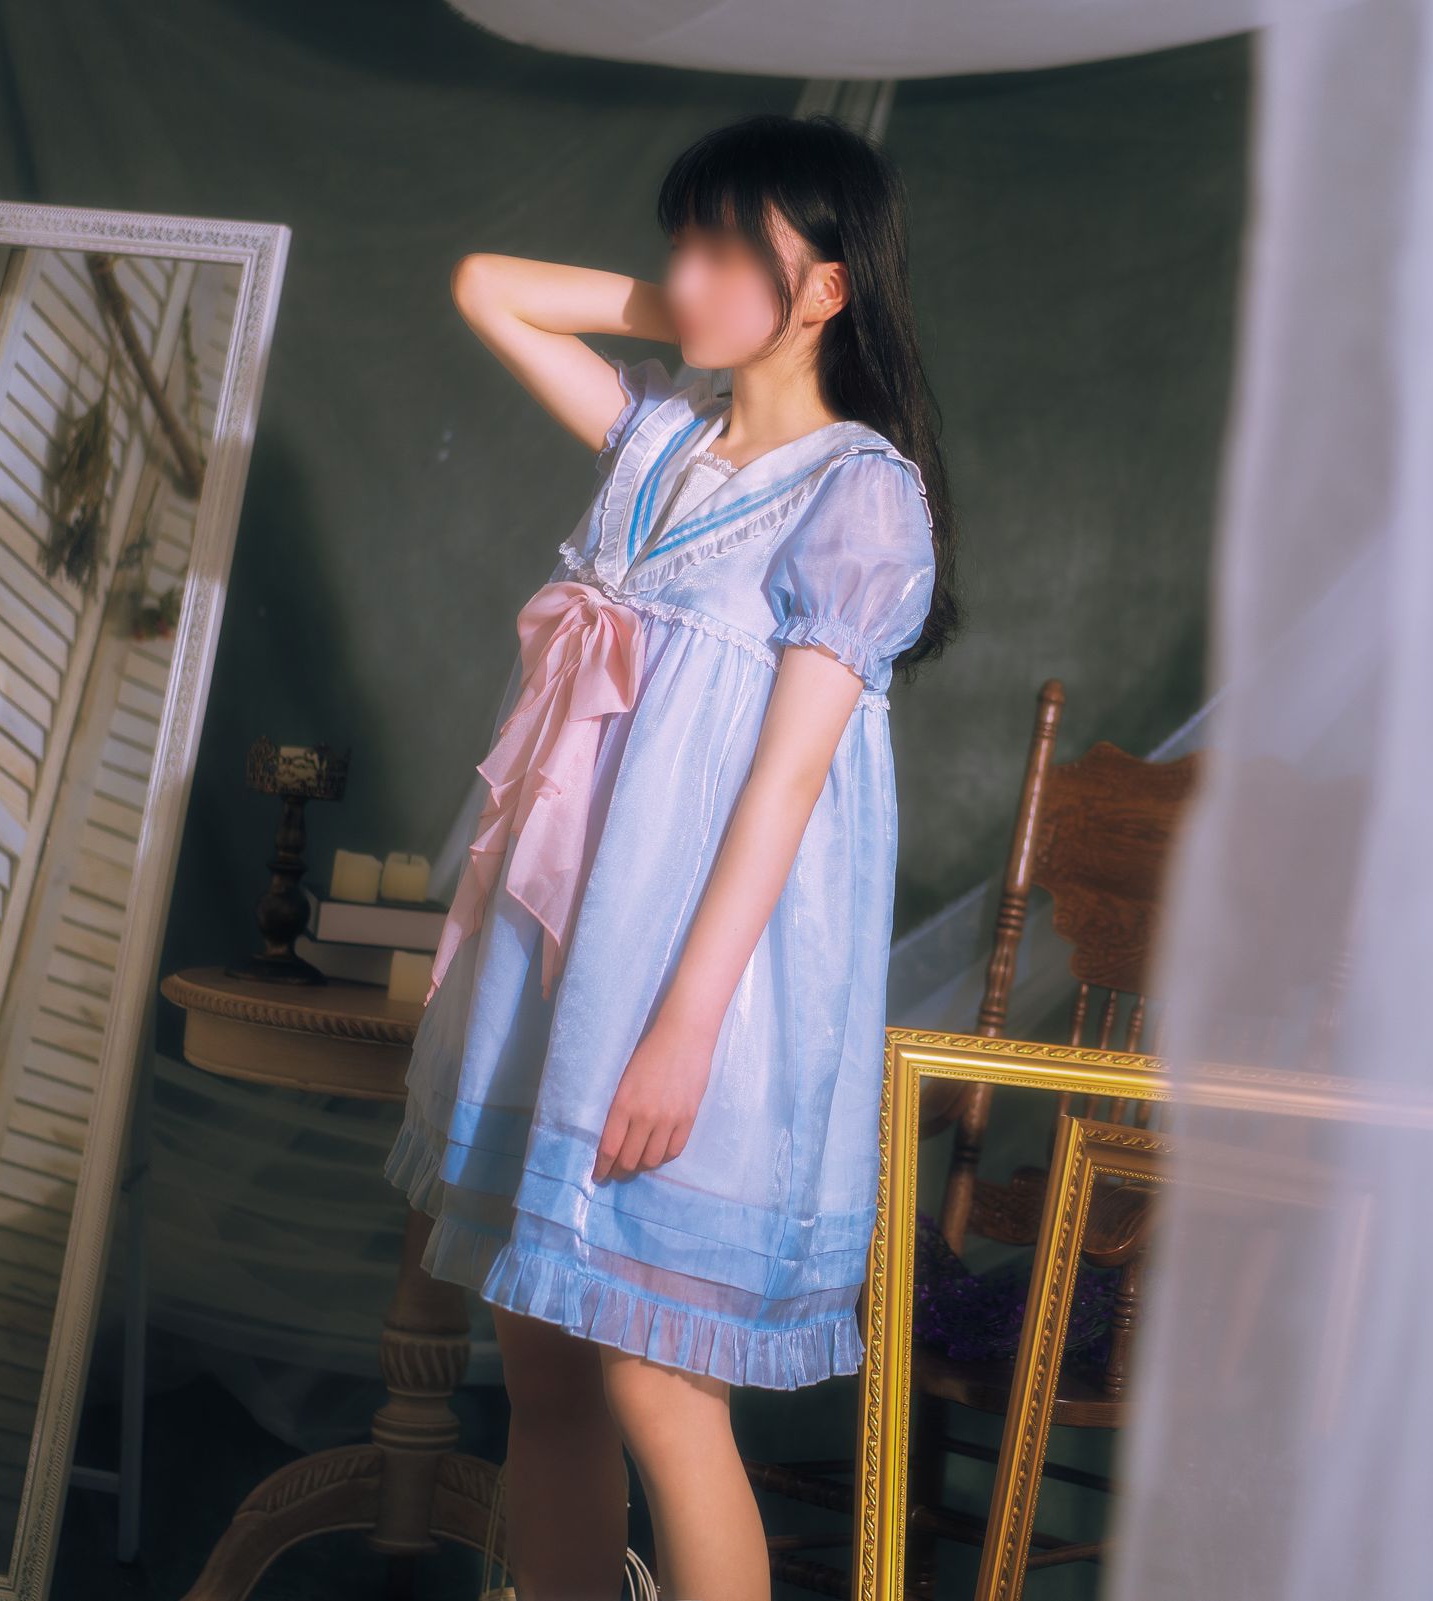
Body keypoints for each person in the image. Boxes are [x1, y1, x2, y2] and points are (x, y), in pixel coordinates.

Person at [386, 112, 959, 1601]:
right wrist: (709, 304)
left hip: (707, 984)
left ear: (826, 288)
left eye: (725, 250)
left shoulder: (858, 494)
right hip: (566, 951)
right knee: (543, 1371)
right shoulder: (663, 447)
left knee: (659, 1390)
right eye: (680, 244)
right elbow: (488, 287)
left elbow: (785, 788)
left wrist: (683, 1035)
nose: (684, 275)